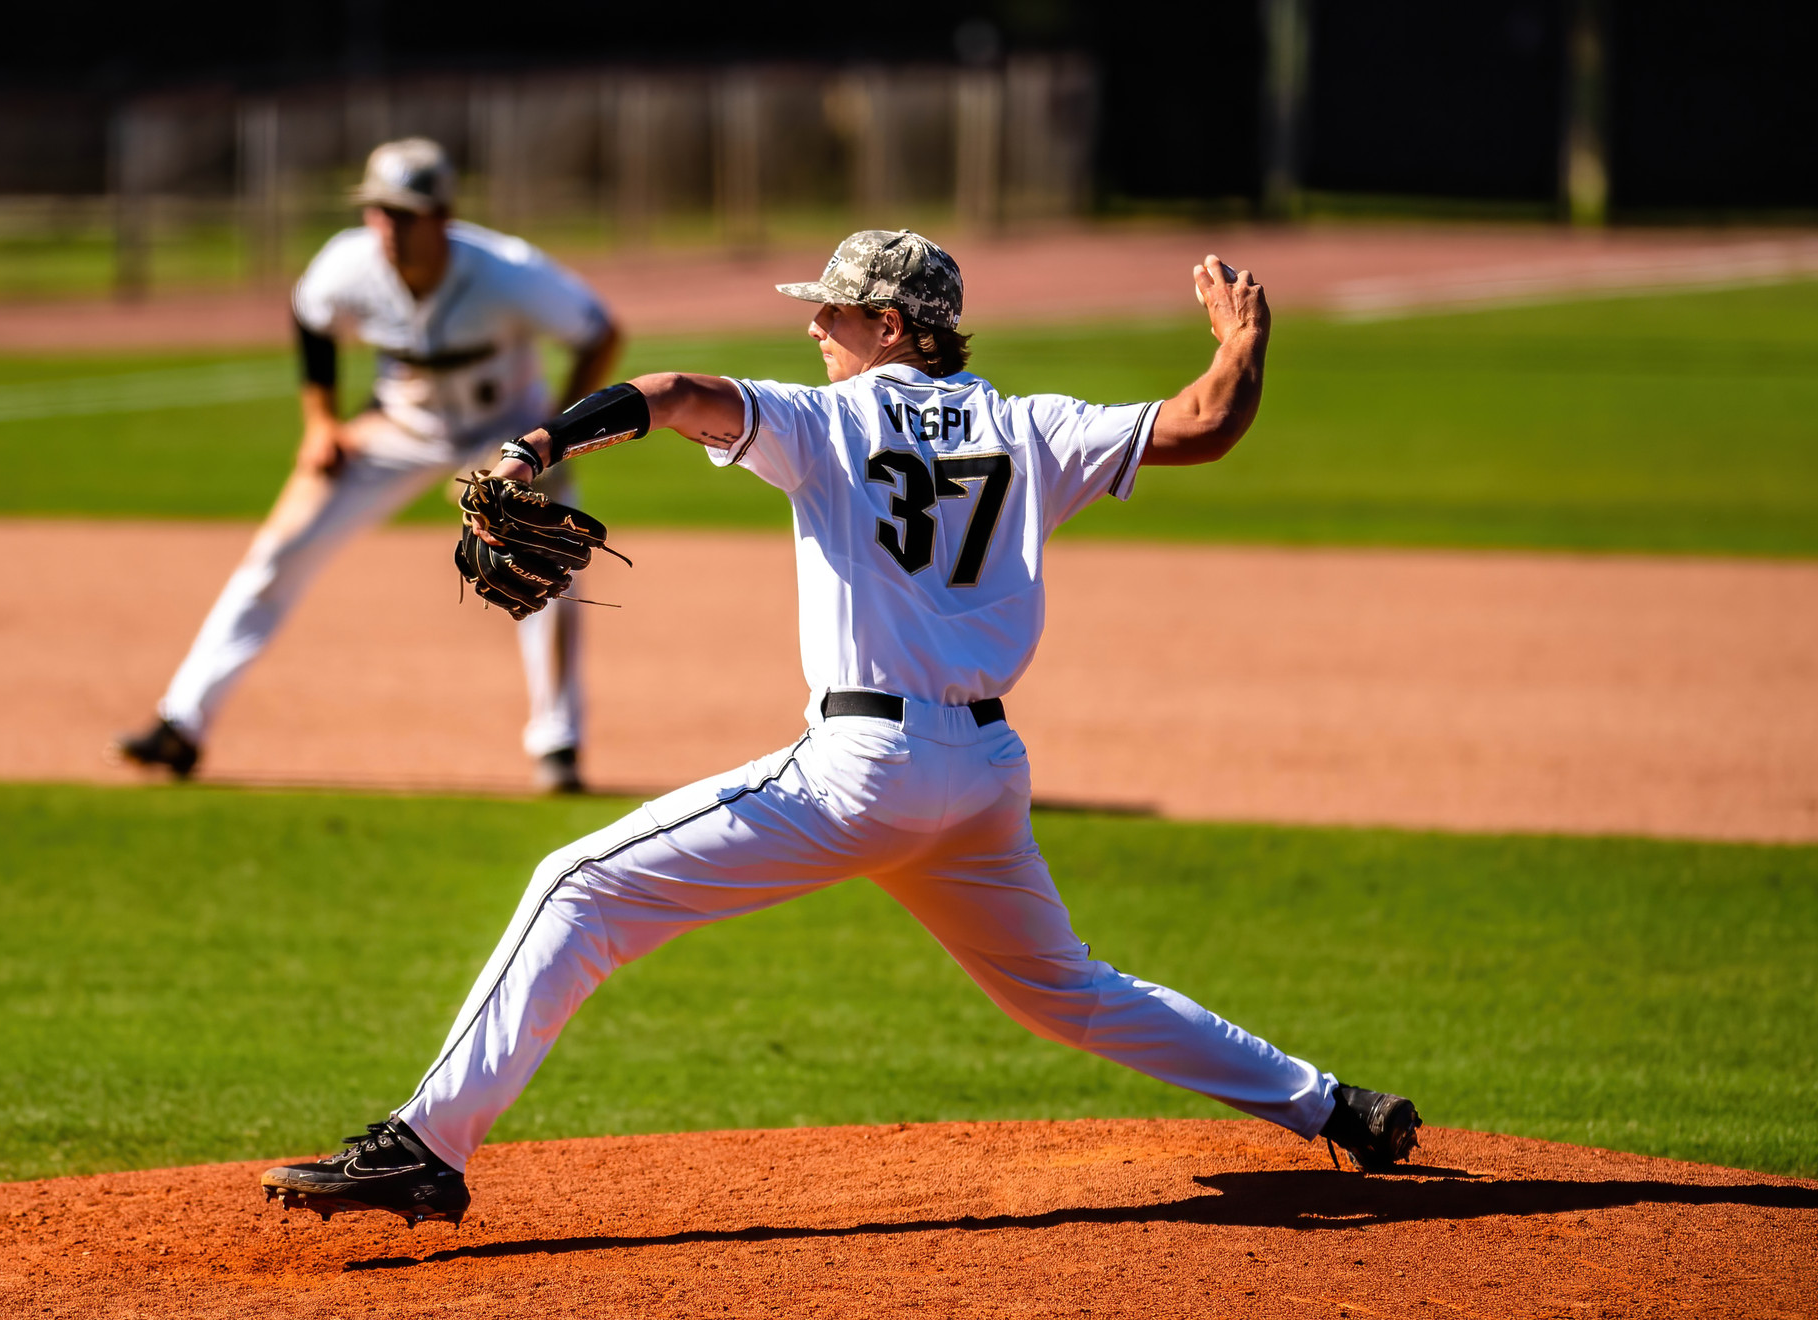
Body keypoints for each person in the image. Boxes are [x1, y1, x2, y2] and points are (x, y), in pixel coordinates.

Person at [260, 229, 1421, 1226]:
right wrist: (1242, 342)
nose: (814, 325)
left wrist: (536, 446)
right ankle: (1332, 1106)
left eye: (830, 310)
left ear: (888, 323)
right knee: (1065, 990)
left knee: (578, 886)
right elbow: (1208, 425)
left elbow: (665, 395)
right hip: (985, 778)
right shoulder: (1032, 427)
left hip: (862, 771)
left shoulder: (829, 422)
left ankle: (427, 1148)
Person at [110, 138, 622, 794]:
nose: (388, 227)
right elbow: (311, 318)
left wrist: (551, 435)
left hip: (503, 437)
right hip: (398, 426)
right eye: (378, 211)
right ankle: (181, 724)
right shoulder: (347, 264)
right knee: (278, 550)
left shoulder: (508, 271)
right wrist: (321, 422)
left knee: (542, 562)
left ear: (442, 215)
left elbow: (599, 332)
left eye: (404, 213)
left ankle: (558, 745)